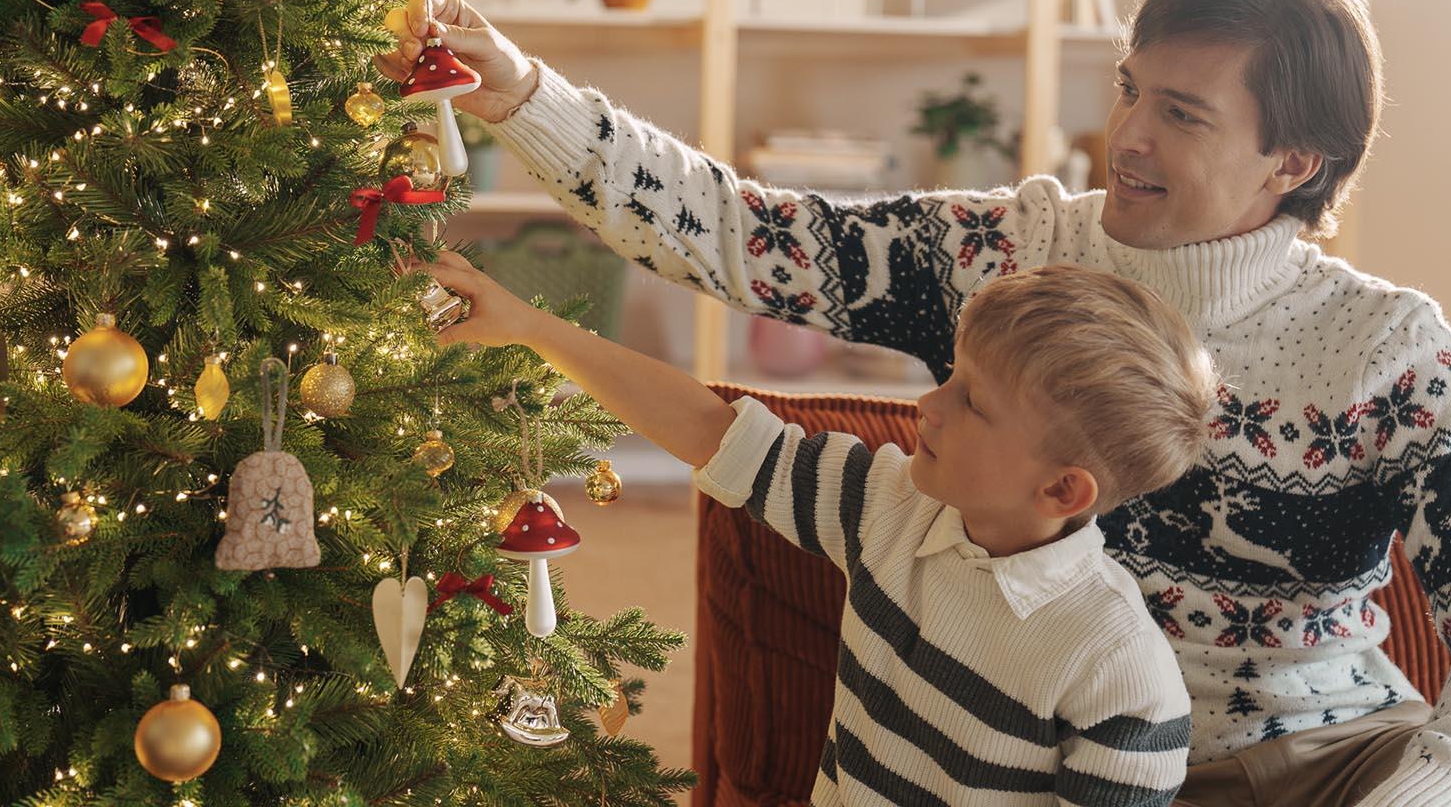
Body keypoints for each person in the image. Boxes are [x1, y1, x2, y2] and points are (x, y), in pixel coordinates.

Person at [377, 0, 1451, 806]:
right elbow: (745, 233)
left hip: (1317, 761)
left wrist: (1421, 794)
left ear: (1293, 162)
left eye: (1180, 114)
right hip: (1042, 746)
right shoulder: (1010, 249)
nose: (1126, 135)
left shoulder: (1387, 353)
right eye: (1129, 88)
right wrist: (518, 94)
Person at [422, 253, 1216, 805]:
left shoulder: (1122, 677)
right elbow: (709, 429)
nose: (928, 405)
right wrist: (531, 327)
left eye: (972, 401)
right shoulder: (889, 506)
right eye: (950, 376)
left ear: (1062, 489)